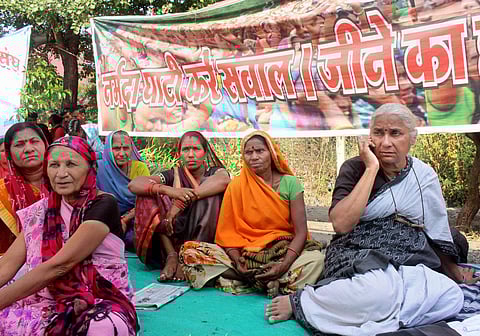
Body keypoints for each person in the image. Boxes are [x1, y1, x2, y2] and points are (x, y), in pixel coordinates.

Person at [265, 103, 465, 334]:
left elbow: (436, 227)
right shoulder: (354, 168)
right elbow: (341, 224)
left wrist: (454, 273)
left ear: (412, 139)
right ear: (369, 137)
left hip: (408, 252)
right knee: (378, 290)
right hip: (357, 250)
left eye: (395, 133)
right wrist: (371, 168)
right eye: (378, 133)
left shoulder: (423, 174)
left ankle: (386, 313)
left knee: (450, 296)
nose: (385, 142)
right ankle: (301, 302)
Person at [0, 136, 137, 335]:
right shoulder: (39, 212)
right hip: (45, 298)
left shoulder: (103, 204)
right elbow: (6, 266)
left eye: (71, 164)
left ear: (91, 168)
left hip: (100, 297)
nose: (61, 173)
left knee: (102, 326)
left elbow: (60, 265)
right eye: (54, 165)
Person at [180, 130, 325, 297]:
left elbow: (300, 233)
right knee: (190, 252)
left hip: (281, 252)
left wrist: (283, 265)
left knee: (316, 260)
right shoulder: (237, 186)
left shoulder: (290, 183)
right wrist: (236, 261)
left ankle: (268, 277)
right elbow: (228, 234)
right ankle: (262, 280)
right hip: (245, 255)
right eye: (248, 152)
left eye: (260, 151)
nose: (254, 157)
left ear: (271, 153)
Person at [128, 131, 230, 281]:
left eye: (196, 149)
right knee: (148, 194)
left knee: (210, 195)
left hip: (203, 241)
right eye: (186, 150)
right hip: (172, 236)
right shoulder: (173, 174)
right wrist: (168, 190)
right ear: (179, 153)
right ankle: (172, 255)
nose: (190, 154)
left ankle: (191, 256)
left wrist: (183, 201)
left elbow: (223, 180)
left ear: (205, 152)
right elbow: (134, 184)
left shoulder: (214, 172)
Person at [0, 123, 49, 254]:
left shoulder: (64, 184)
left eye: (34, 141)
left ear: (45, 144)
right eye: (19, 144)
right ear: (8, 152)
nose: (28, 149)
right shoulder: (2, 193)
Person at [97, 130, 150, 250]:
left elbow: (146, 200)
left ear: (132, 149)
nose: (122, 153)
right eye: (116, 148)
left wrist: (126, 219)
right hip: (107, 216)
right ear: (109, 150)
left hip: (134, 215)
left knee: (133, 240)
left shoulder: (139, 167)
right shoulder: (99, 168)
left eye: (126, 148)